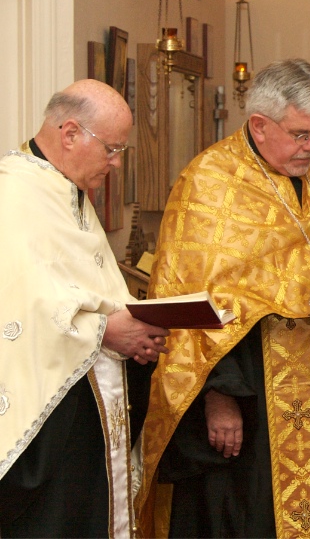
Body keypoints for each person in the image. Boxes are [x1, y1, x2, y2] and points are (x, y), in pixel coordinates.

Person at [135, 59, 310, 538]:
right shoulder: (210, 181)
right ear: (260, 126)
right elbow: (190, 301)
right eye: (301, 134)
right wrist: (220, 397)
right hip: (256, 394)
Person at [0, 80, 169, 538]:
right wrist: (105, 331)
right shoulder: (14, 192)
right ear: (70, 133)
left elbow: (90, 286)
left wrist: (135, 326)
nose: (116, 163)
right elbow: (18, 306)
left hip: (86, 408)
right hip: (47, 419)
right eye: (111, 149)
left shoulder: (64, 188)